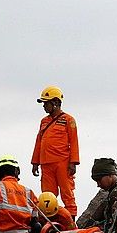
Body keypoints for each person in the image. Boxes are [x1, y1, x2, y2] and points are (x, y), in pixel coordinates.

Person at [31, 86, 80, 217]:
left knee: (67, 192)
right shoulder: (43, 121)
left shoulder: (68, 120)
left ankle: (71, 219)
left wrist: (73, 162)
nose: (44, 106)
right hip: (45, 164)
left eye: (46, 103)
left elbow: (74, 141)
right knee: (47, 195)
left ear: (56, 103)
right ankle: (50, 221)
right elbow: (38, 142)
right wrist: (35, 162)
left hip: (62, 163)